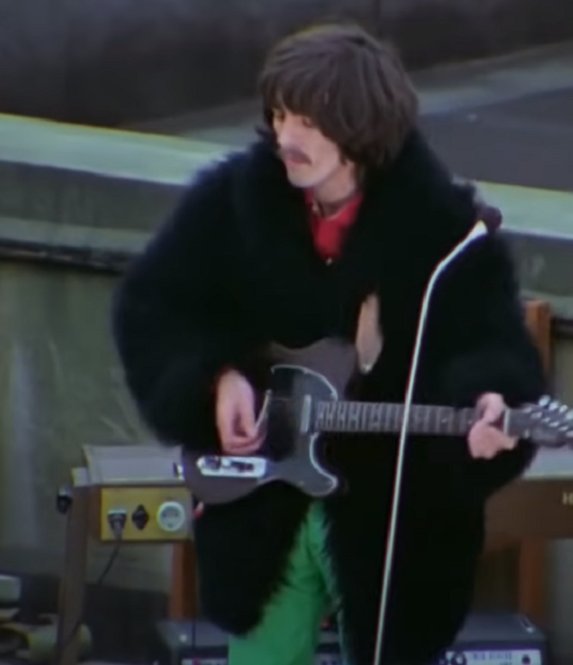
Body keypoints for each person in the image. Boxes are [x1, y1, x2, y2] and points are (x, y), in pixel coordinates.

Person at [112, 22, 546, 665]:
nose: (286, 137)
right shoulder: (229, 205)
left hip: (394, 516)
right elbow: (153, 309)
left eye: (309, 121)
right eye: (280, 114)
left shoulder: (450, 236)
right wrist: (216, 377)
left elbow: (498, 352)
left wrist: (492, 405)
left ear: (360, 130)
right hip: (263, 502)